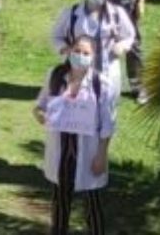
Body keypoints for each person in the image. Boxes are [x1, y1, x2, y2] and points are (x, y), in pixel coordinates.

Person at [34, 35, 118, 235]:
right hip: (62, 149)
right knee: (60, 202)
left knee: (93, 202)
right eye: (77, 51)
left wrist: (101, 155)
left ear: (93, 56)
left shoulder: (101, 85)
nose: (80, 56)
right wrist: (41, 116)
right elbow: (39, 106)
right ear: (70, 51)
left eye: (86, 53)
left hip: (88, 150)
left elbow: (108, 124)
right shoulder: (55, 76)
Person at [51, 0, 136, 88]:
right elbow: (57, 36)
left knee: (106, 103)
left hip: (108, 70)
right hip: (77, 69)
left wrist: (121, 45)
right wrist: (64, 48)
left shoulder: (116, 13)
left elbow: (130, 35)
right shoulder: (71, 13)